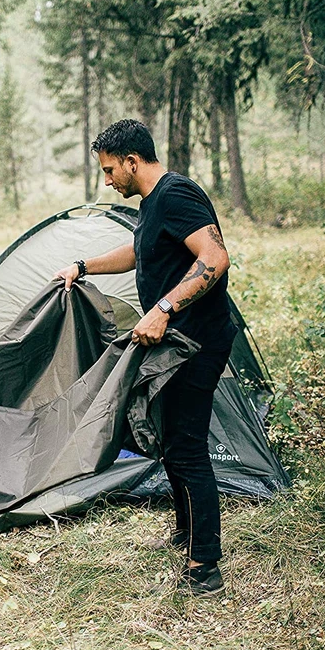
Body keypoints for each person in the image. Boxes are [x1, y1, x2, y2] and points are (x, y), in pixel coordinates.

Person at [56, 119, 236, 596]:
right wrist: (83, 266)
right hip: (176, 345)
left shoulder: (176, 195)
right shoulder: (153, 202)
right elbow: (140, 251)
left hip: (196, 342)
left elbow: (215, 258)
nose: (107, 180)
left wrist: (163, 309)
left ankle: (204, 566)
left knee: (186, 446)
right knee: (173, 441)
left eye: (110, 170)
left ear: (132, 161)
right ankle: (186, 532)